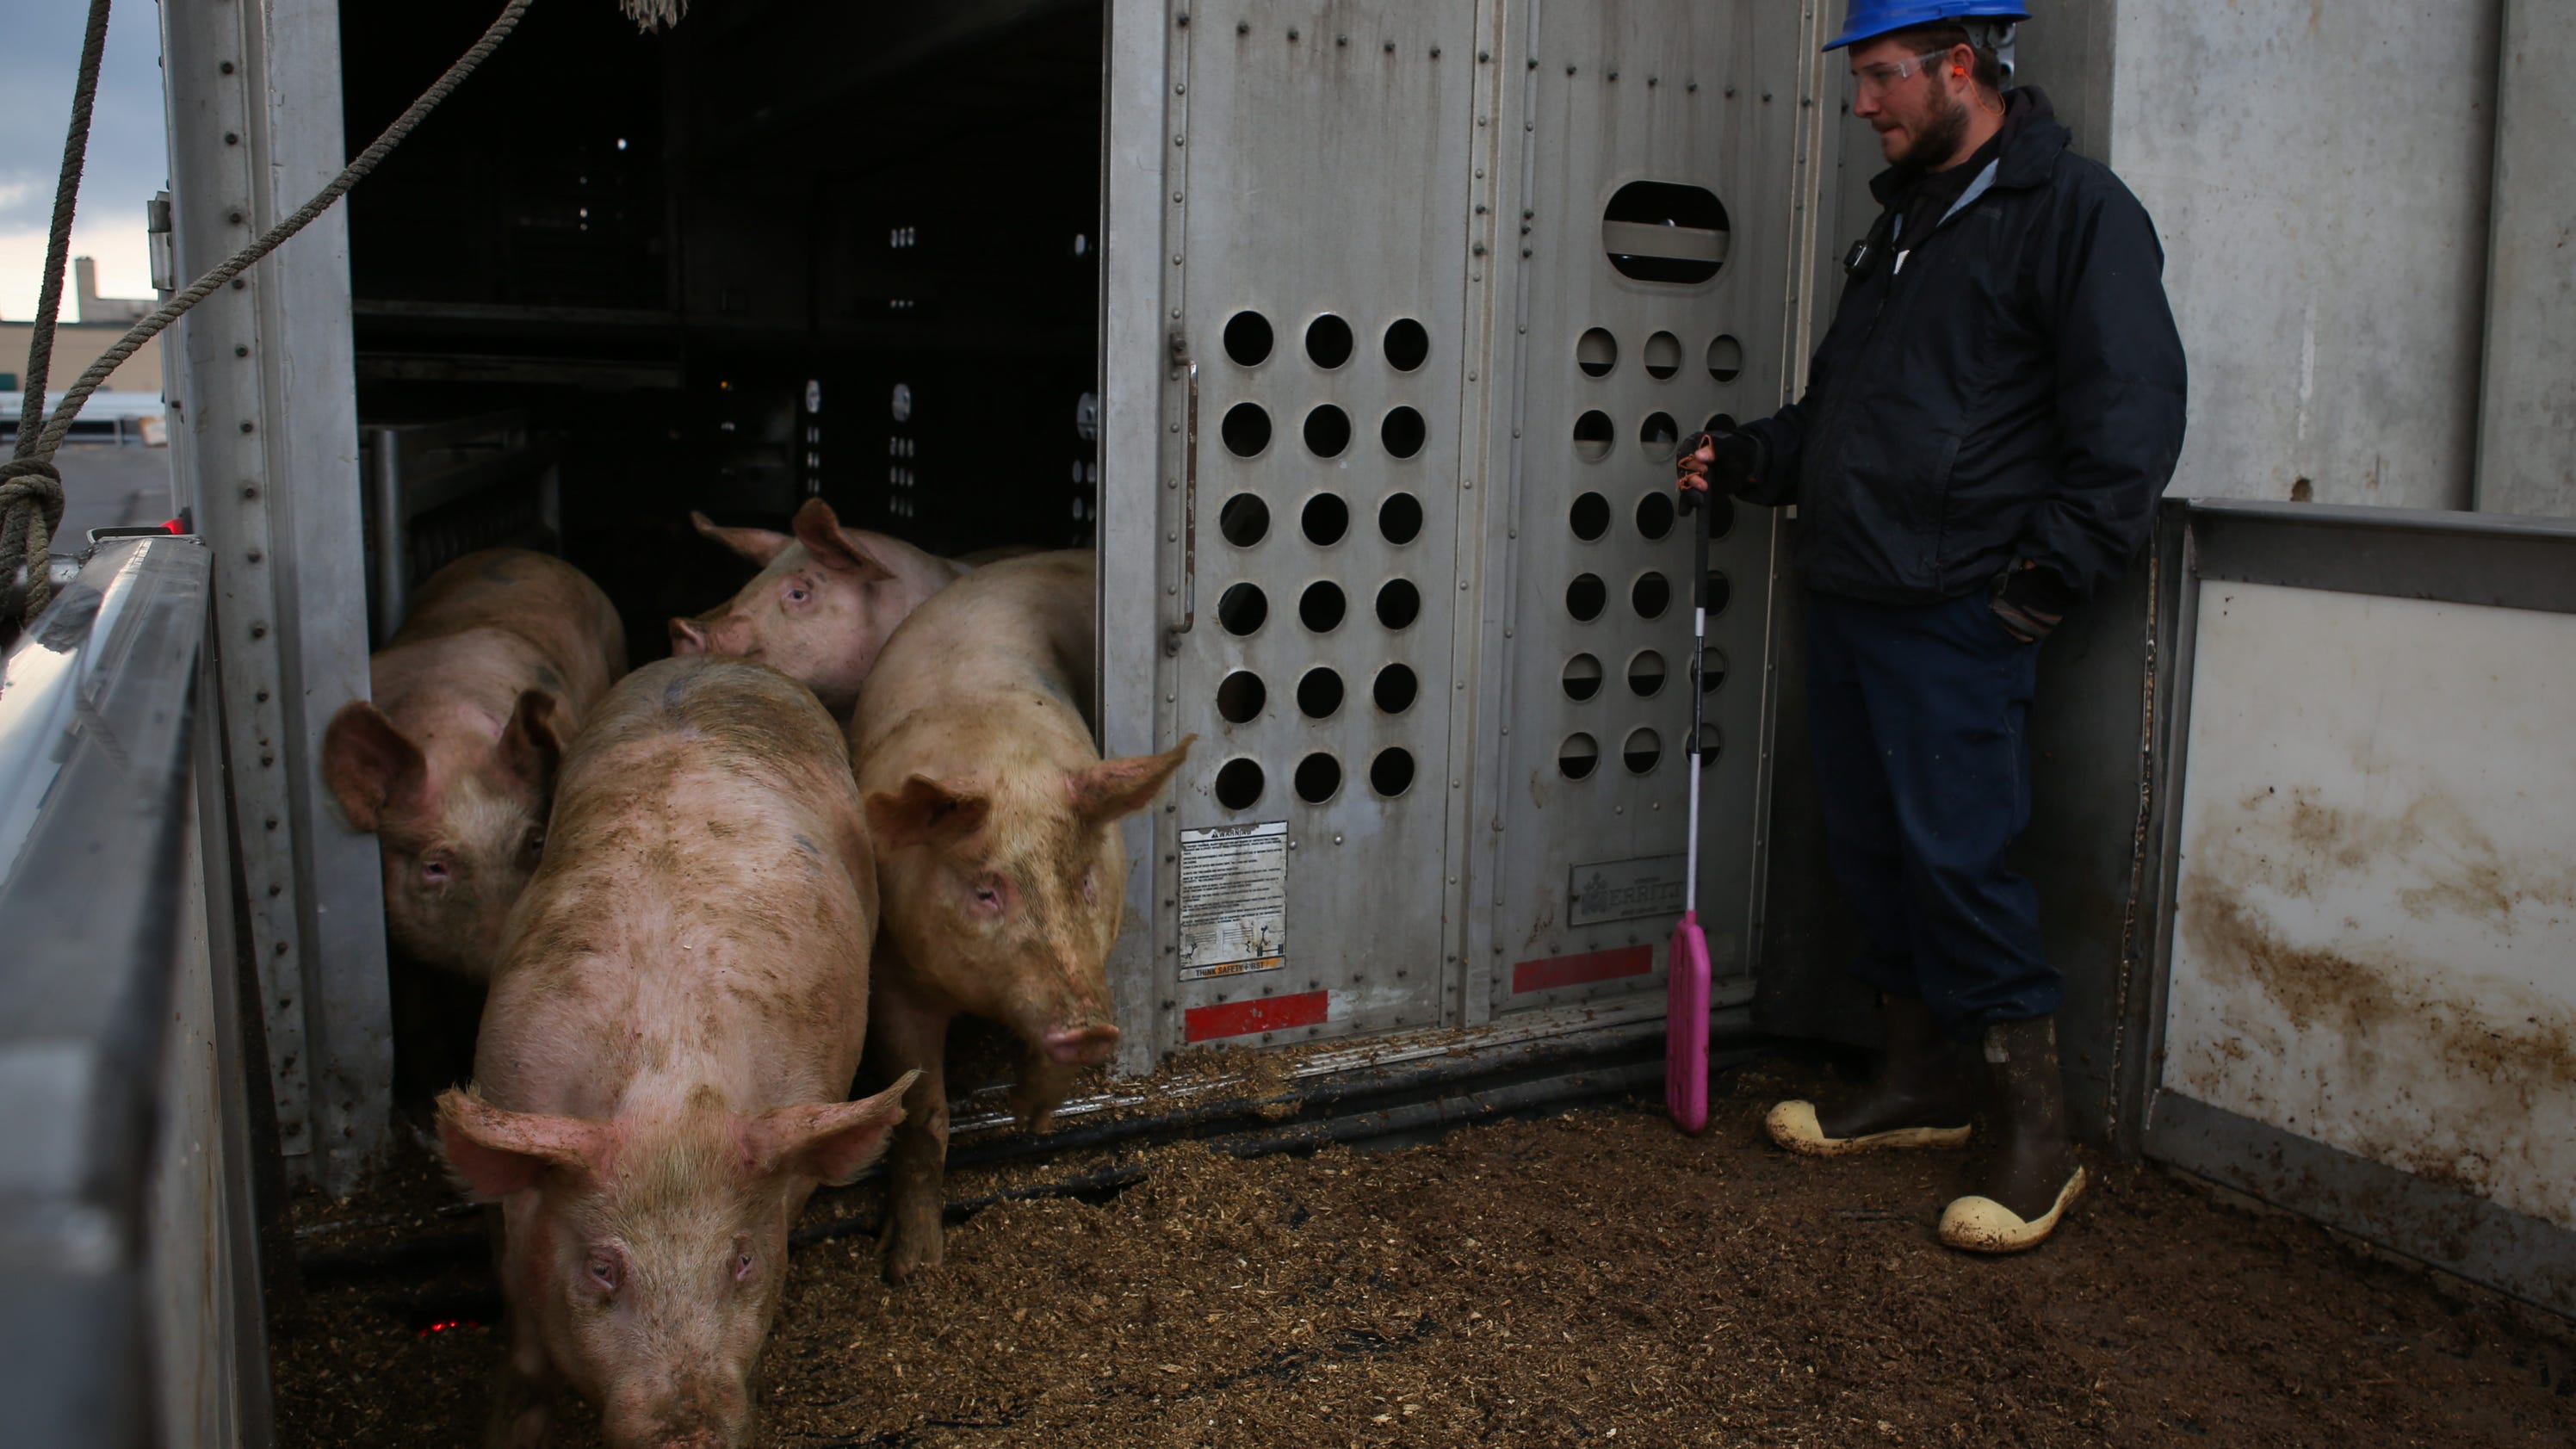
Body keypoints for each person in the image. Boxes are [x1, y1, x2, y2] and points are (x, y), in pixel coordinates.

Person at [1677, 0, 2185, 1254]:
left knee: (1960, 858)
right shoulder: (1904, 223)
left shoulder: (2075, 216)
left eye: (1882, 77)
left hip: (1958, 606)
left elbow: (2130, 426)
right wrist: (1754, 456)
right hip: (1855, 589)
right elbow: (1849, 412)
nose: (1865, 104)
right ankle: (1918, 1080)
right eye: (1863, 79)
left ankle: (2032, 1137)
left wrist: (2037, 589)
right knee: (1873, 851)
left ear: (1963, 67)